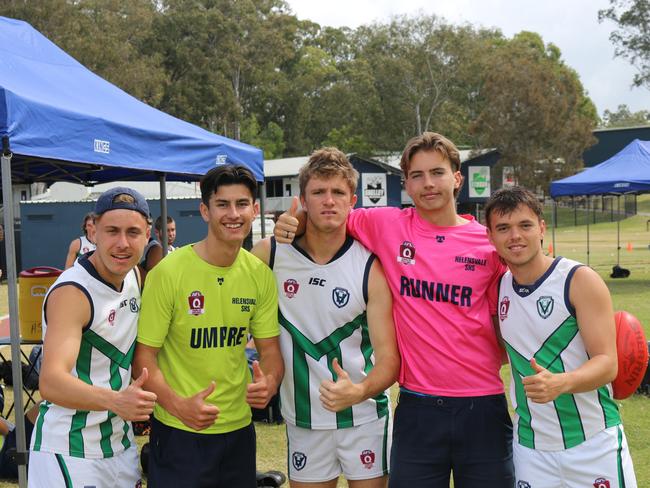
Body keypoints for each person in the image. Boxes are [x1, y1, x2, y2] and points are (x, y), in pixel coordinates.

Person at [275, 133, 514, 488]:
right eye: (417, 175)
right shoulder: (385, 224)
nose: (428, 183)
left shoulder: (490, 243)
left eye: (437, 172)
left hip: (482, 404)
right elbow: (327, 216)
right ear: (405, 183)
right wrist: (289, 221)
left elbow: (518, 308)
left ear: (457, 178)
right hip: (418, 406)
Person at [252, 148, 400, 487]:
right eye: (318, 192)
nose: (328, 201)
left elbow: (389, 359)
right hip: (303, 418)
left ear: (352, 200)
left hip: (364, 416)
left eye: (337, 193)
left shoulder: (370, 266)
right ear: (303, 199)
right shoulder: (270, 254)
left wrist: (359, 391)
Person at [134, 164, 284, 488]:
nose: (233, 214)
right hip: (179, 432)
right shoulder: (168, 273)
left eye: (242, 204)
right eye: (222, 204)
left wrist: (269, 383)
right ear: (205, 211)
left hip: (238, 433)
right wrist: (179, 406)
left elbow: (270, 350)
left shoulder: (259, 275)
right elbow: (143, 360)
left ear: (255, 210)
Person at [484, 186, 637, 488]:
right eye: (503, 228)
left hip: (593, 442)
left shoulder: (578, 280)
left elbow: (608, 364)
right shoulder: (498, 288)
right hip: (531, 448)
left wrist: (561, 382)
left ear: (541, 228)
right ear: (490, 237)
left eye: (525, 225)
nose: (515, 236)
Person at [29, 187, 157, 487]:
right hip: (70, 449)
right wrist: (116, 400)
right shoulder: (73, 292)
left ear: (147, 233)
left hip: (119, 445)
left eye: (133, 232)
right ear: (94, 230)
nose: (122, 243)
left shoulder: (135, 276)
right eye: (112, 231)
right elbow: (51, 382)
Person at [139, 215, 177, 281]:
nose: (171, 234)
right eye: (167, 231)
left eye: (172, 230)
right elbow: (151, 280)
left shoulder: (174, 250)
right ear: (157, 232)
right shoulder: (156, 249)